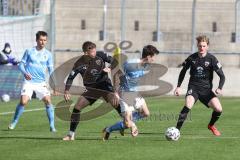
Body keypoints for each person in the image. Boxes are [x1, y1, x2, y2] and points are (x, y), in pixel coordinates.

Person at [62, 41, 121, 141]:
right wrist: (67, 91)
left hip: (104, 86)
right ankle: (70, 135)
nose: (94, 53)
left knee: (116, 103)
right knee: (77, 107)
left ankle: (128, 122)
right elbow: (71, 77)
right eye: (92, 52)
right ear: (85, 53)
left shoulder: (100, 55)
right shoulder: (79, 63)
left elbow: (115, 61)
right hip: (91, 89)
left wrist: (110, 68)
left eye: (94, 51)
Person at [102, 45, 160, 141]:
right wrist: (115, 91)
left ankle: (124, 124)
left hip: (135, 94)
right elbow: (117, 73)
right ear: (148, 57)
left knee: (146, 113)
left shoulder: (146, 65)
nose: (154, 59)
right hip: (125, 95)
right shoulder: (131, 64)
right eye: (153, 57)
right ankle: (108, 129)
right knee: (128, 124)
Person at [174, 35, 225, 136]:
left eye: (204, 46)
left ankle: (211, 125)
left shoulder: (212, 59)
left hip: (206, 90)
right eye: (200, 46)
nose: (202, 48)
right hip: (194, 87)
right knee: (188, 104)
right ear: (197, 46)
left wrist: (219, 88)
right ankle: (176, 130)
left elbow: (222, 76)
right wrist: (178, 86)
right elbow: (183, 72)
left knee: (219, 109)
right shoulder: (191, 58)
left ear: (207, 47)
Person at [8, 31, 56, 132]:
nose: (42, 42)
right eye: (40, 40)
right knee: (23, 101)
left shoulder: (48, 54)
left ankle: (52, 126)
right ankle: (14, 121)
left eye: (44, 40)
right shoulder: (29, 51)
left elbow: (51, 70)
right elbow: (21, 65)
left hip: (41, 82)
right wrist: (25, 73)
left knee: (48, 101)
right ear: (36, 40)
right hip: (28, 82)